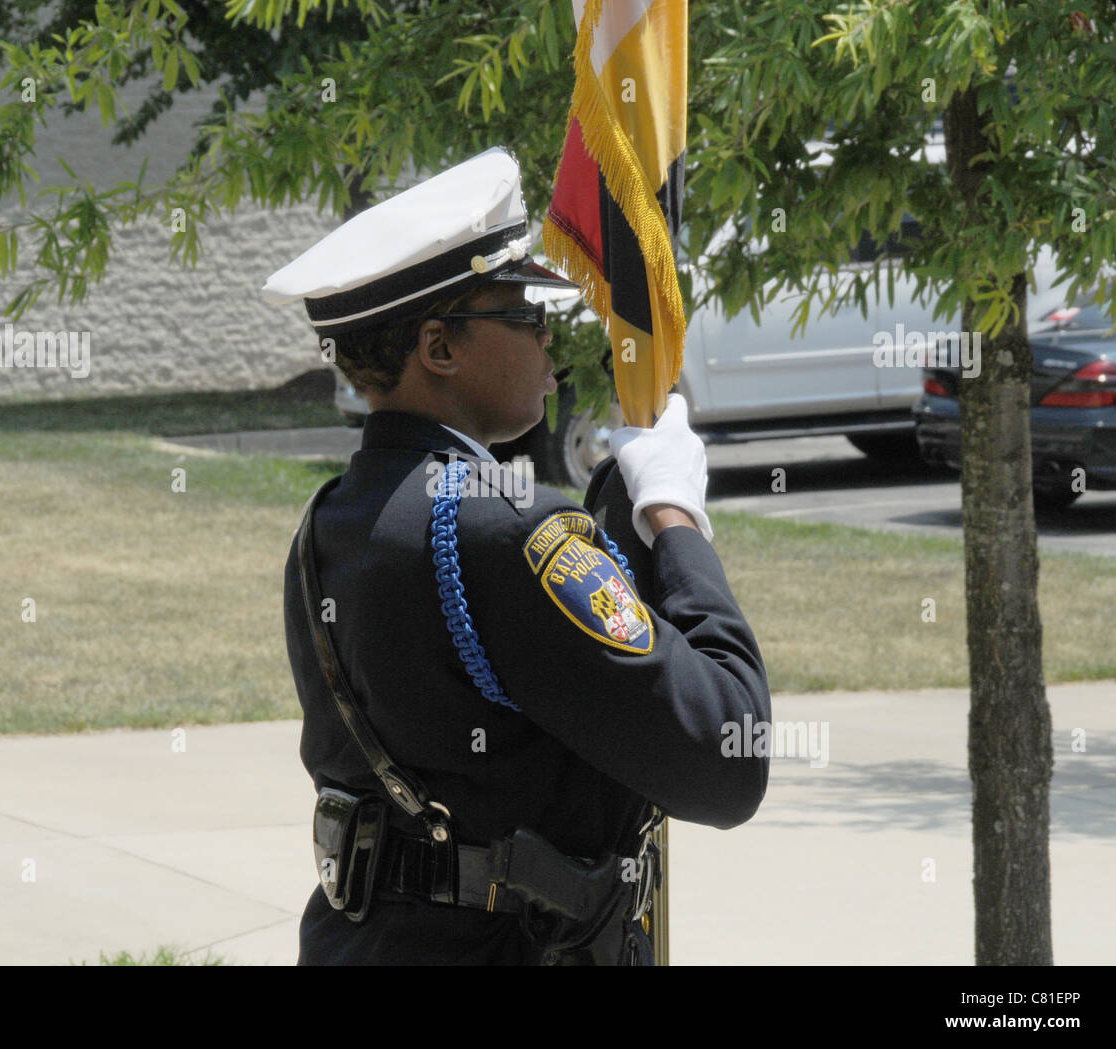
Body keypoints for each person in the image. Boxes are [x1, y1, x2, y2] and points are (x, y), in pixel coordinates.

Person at [263, 146, 772, 966]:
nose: (546, 338)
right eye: (523, 315)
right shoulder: (513, 532)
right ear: (439, 347)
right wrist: (675, 516)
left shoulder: (329, 521)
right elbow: (724, 754)